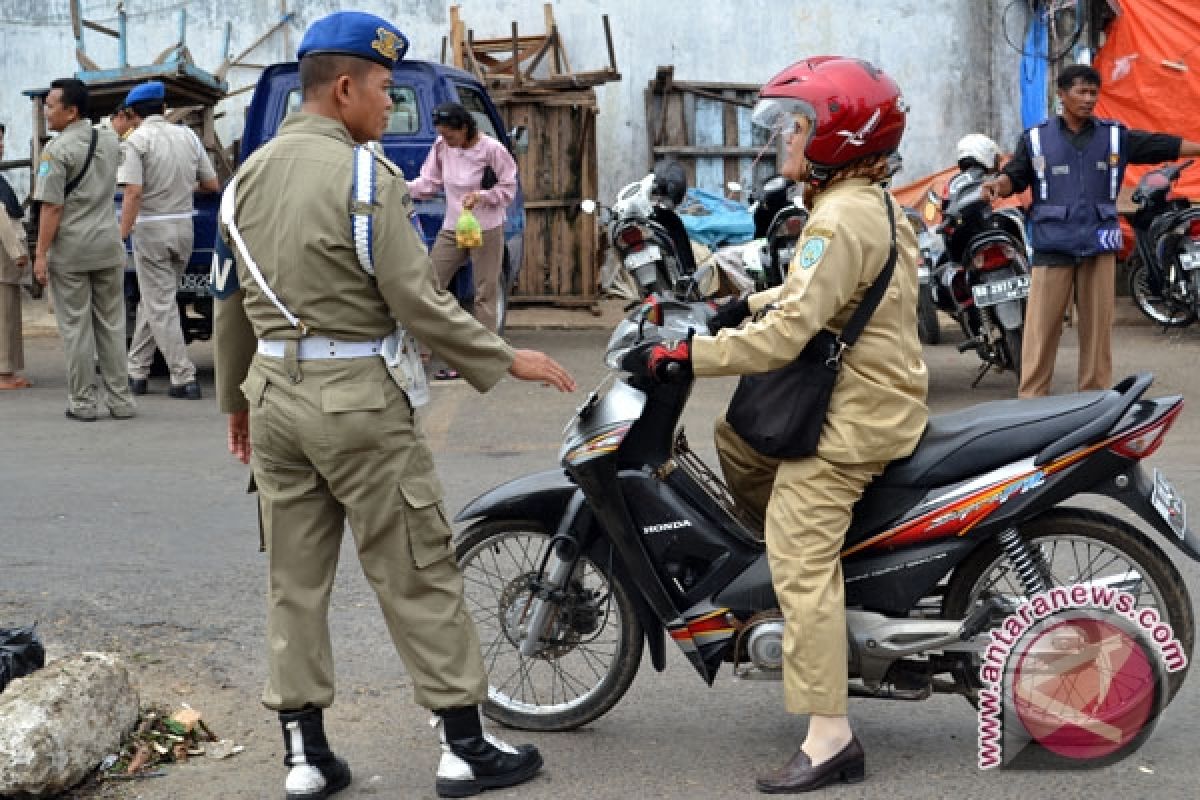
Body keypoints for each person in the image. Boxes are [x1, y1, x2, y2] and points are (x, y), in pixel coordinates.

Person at [213, 12, 575, 799]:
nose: (386, 105)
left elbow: (233, 305)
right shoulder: (361, 177)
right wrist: (506, 356)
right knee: (417, 567)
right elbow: (416, 299)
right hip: (358, 405)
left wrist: (233, 406)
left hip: (273, 397)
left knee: (293, 580)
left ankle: (304, 757)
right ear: (343, 88)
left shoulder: (246, 177)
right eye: (382, 89)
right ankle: (463, 747)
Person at [621, 57, 928, 793]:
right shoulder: (863, 202)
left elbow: (785, 339)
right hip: (877, 394)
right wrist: (736, 306)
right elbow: (806, 297)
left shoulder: (839, 216)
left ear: (836, 135)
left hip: (855, 419)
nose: (783, 139)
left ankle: (831, 739)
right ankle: (816, 599)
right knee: (738, 441)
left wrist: (689, 351)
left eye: (795, 126)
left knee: (796, 550)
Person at [983, 63, 1200, 398]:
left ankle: (1094, 399)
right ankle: (1032, 400)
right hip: (1053, 245)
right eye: (1080, 92)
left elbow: (1159, 145)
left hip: (1099, 244)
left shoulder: (1114, 136)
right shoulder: (1037, 139)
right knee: (1042, 331)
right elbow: (1016, 174)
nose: (1087, 99)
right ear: (1062, 95)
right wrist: (998, 185)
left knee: (1097, 332)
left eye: (1093, 92)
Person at [32, 78, 135, 421]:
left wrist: (40, 255)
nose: (46, 112)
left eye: (50, 106)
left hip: (72, 251)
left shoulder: (56, 151)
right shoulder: (108, 139)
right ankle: (121, 401)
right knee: (112, 324)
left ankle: (83, 403)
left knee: (76, 328)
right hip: (107, 245)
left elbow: (51, 208)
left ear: (71, 110)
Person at [118, 80, 221, 399]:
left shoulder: (135, 142)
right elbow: (211, 184)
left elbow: (132, 192)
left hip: (151, 228)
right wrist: (182, 190)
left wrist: (121, 234)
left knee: (159, 303)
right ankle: (136, 371)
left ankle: (183, 377)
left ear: (133, 113)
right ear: (164, 109)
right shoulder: (188, 136)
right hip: (184, 228)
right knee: (157, 300)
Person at [407, 101, 517, 379]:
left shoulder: (492, 149)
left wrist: (482, 196)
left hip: (486, 227)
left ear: (465, 128)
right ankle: (420, 350)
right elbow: (428, 184)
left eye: (451, 135)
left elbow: (508, 188)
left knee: (484, 293)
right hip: (454, 226)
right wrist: (398, 187)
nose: (446, 140)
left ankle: (482, 359)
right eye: (443, 134)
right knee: (429, 284)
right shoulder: (442, 147)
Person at [1, 122, 31, 390]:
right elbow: (1, 219)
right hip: (3, 259)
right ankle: (3, 373)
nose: (0, 147)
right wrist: (18, 253)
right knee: (4, 316)